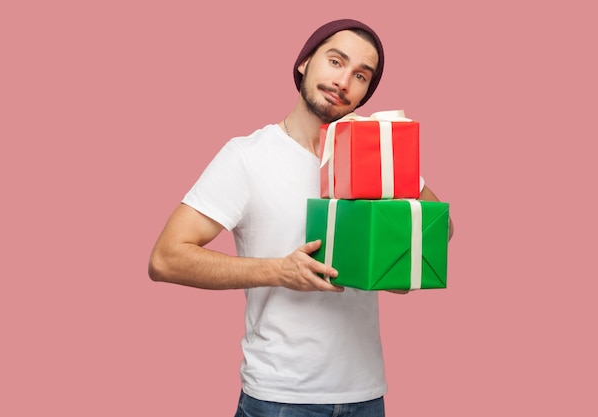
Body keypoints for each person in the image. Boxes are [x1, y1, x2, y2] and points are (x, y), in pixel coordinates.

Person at [148, 18, 454, 417]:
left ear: (365, 92)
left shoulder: (377, 157)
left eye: (361, 75)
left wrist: (392, 261)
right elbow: (166, 258)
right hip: (280, 398)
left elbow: (440, 228)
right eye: (335, 61)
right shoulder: (247, 156)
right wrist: (279, 271)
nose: (344, 80)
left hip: (366, 393)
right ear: (305, 62)